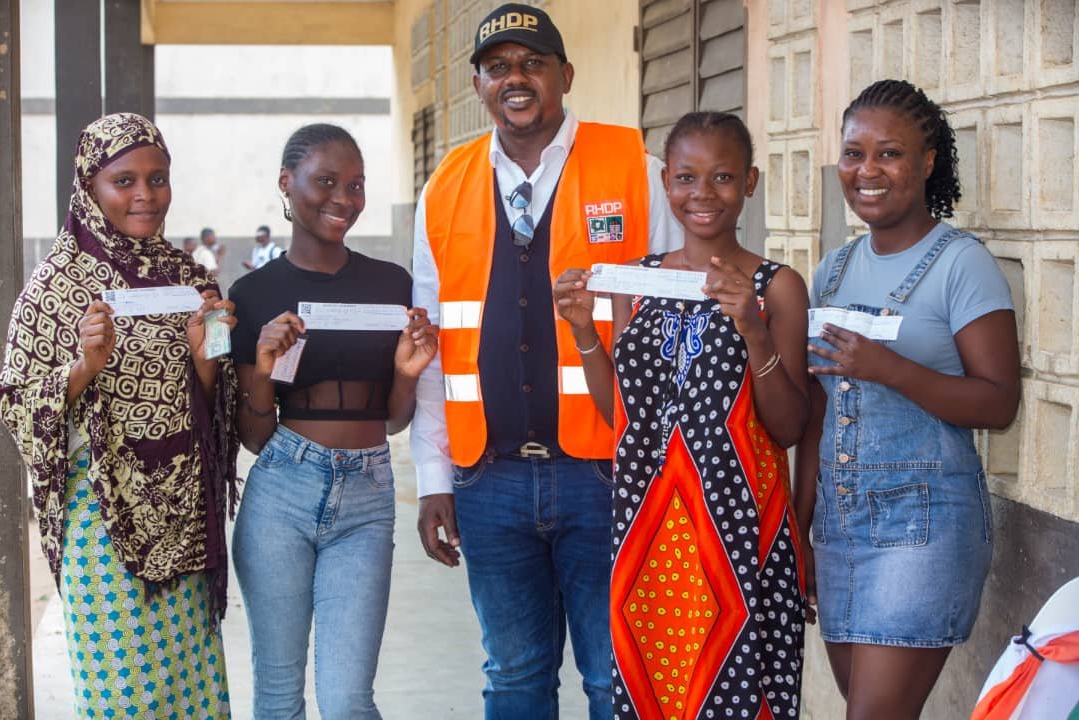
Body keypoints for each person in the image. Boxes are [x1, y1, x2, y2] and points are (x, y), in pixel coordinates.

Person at [411, 4, 683, 717]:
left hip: (608, 474)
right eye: (498, 67)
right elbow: (433, 342)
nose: (516, 78)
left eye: (532, 63)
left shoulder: (636, 169)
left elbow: (680, 318)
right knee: (514, 678)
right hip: (489, 479)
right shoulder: (445, 186)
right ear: (478, 85)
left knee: (615, 678)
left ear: (565, 74)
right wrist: (433, 477)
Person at [554, 111, 810, 720]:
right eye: (687, 177)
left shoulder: (777, 287)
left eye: (722, 177)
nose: (702, 194)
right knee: (653, 691)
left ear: (749, 182)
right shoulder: (631, 280)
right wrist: (585, 331)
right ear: (665, 182)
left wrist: (752, 328)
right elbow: (623, 411)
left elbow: (790, 427)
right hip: (648, 527)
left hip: (738, 531)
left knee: (738, 693)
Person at [794, 79, 1020, 720]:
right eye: (853, 153)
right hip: (838, 529)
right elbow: (817, 414)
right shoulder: (831, 270)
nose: (867, 171)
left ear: (926, 163)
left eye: (889, 154)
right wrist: (799, 527)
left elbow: (997, 402)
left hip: (921, 525)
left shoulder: (960, 264)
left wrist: (889, 368)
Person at [0, 113, 237, 719]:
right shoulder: (55, 286)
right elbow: (18, 401)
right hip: (101, 518)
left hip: (184, 518)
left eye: (157, 180)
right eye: (124, 180)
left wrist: (206, 353)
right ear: (89, 187)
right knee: (121, 696)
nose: (144, 196)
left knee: (187, 689)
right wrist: (84, 365)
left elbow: (212, 403)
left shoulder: (190, 278)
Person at [229, 123, 438, 720]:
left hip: (368, 497)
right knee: (278, 695)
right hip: (282, 493)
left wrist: (407, 371)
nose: (343, 198)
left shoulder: (391, 284)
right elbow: (255, 436)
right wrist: (264, 369)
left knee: (348, 701)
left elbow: (394, 420)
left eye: (356, 184)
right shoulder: (255, 292)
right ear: (285, 184)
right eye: (325, 181)